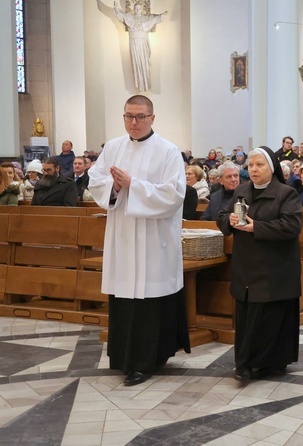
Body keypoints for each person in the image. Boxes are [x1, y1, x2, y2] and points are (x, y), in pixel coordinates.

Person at [87, 94, 190, 387]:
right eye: (129, 116)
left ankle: (147, 361)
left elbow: (173, 194)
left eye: (140, 117)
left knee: (149, 301)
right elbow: (95, 182)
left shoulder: (168, 151)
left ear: (152, 118)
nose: (134, 122)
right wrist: (114, 187)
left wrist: (134, 185)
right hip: (122, 236)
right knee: (124, 299)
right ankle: (123, 359)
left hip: (153, 241)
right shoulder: (113, 148)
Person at [217, 147, 302, 382]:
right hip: (247, 266)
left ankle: (273, 362)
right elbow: (221, 216)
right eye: (251, 165)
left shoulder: (286, 193)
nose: (253, 169)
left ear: (272, 167)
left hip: (276, 267)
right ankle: (244, 364)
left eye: (259, 165)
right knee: (249, 318)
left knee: (272, 317)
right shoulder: (241, 191)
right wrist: (230, 220)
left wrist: (257, 227)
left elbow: (292, 226)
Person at [113, 2, 167, 91]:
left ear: (142, 9)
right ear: (134, 9)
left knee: (144, 62)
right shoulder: (129, 17)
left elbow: (155, 18)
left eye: (140, 9)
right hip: (133, 42)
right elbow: (121, 15)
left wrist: (162, 15)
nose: (138, 10)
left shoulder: (146, 17)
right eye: (136, 8)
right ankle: (139, 83)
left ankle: (145, 83)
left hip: (143, 42)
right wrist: (116, 8)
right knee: (136, 63)